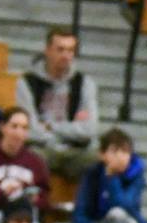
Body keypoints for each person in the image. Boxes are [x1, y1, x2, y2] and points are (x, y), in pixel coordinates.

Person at [14, 26, 100, 180]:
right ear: (47, 50)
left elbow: (90, 129)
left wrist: (51, 126)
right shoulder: (27, 82)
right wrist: (64, 135)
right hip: (43, 149)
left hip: (76, 151)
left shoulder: (85, 83)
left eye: (70, 50)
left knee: (102, 160)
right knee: (30, 157)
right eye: (60, 50)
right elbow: (30, 130)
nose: (66, 56)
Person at [69, 127, 147, 223]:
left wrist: (112, 178)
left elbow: (125, 206)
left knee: (117, 214)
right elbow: (80, 212)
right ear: (102, 154)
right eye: (115, 151)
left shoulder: (136, 176)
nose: (120, 157)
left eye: (125, 152)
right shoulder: (92, 174)